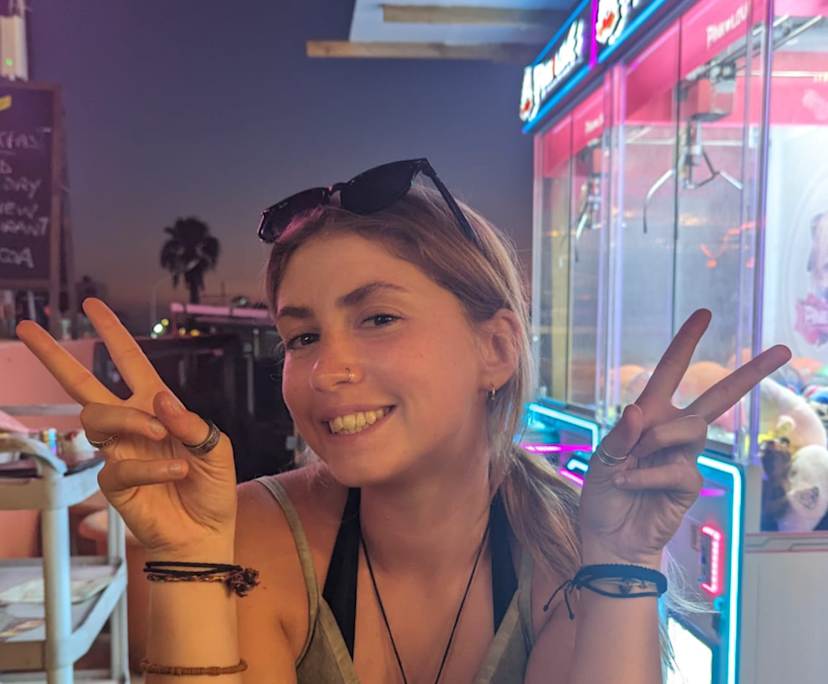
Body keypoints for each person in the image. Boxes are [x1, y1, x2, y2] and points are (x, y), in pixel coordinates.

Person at [17, 159, 790, 683]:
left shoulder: (566, 550)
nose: (327, 369)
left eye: (378, 318)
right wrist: (188, 564)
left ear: (496, 347)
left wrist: (622, 564)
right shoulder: (250, 537)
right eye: (302, 337)